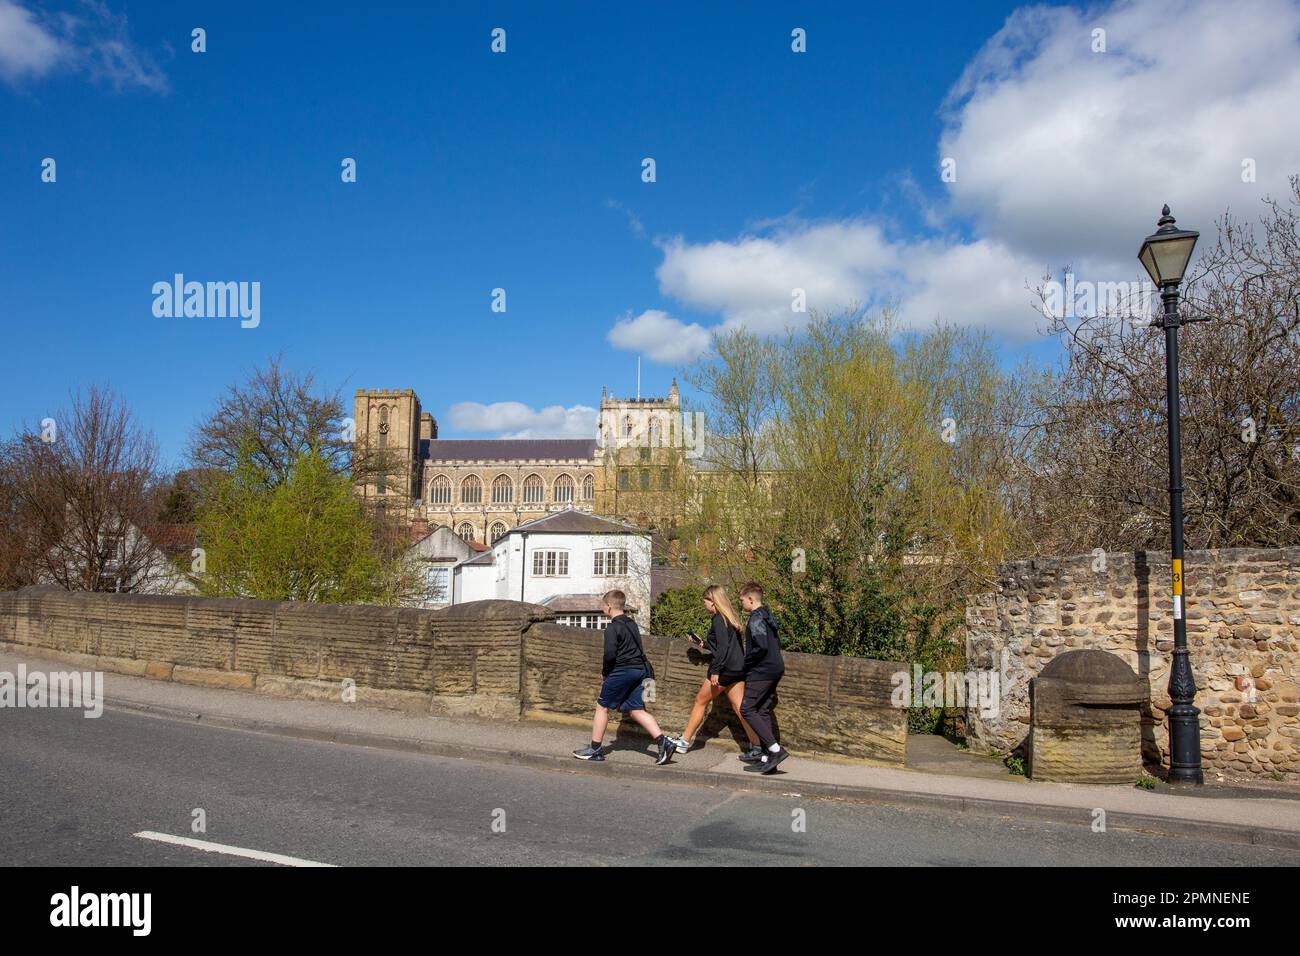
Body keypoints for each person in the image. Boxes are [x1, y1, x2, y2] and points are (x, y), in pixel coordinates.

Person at [572, 589, 676, 765]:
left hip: (623, 670)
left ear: (609, 606)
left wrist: (606, 674)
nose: (602, 608)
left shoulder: (612, 628)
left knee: (602, 707)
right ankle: (663, 742)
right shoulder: (632, 624)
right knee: (636, 710)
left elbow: (610, 655)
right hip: (641, 670)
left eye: (603, 605)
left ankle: (595, 749)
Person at [667, 585, 761, 759]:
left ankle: (684, 742)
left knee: (700, 702)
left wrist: (716, 671)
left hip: (724, 670)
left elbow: (723, 649)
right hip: (737, 669)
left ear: (713, 601)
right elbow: (725, 645)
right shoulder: (730, 618)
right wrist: (702, 643)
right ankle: (756, 745)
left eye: (705, 601)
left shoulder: (718, 619)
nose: (704, 604)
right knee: (740, 709)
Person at [738, 582, 789, 773]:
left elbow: (760, 646)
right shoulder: (768, 616)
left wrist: (746, 664)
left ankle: (776, 750)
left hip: (762, 670)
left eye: (742, 600)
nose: (742, 604)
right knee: (762, 710)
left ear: (751, 599)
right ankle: (769, 759)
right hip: (775, 668)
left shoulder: (755, 618)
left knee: (747, 708)